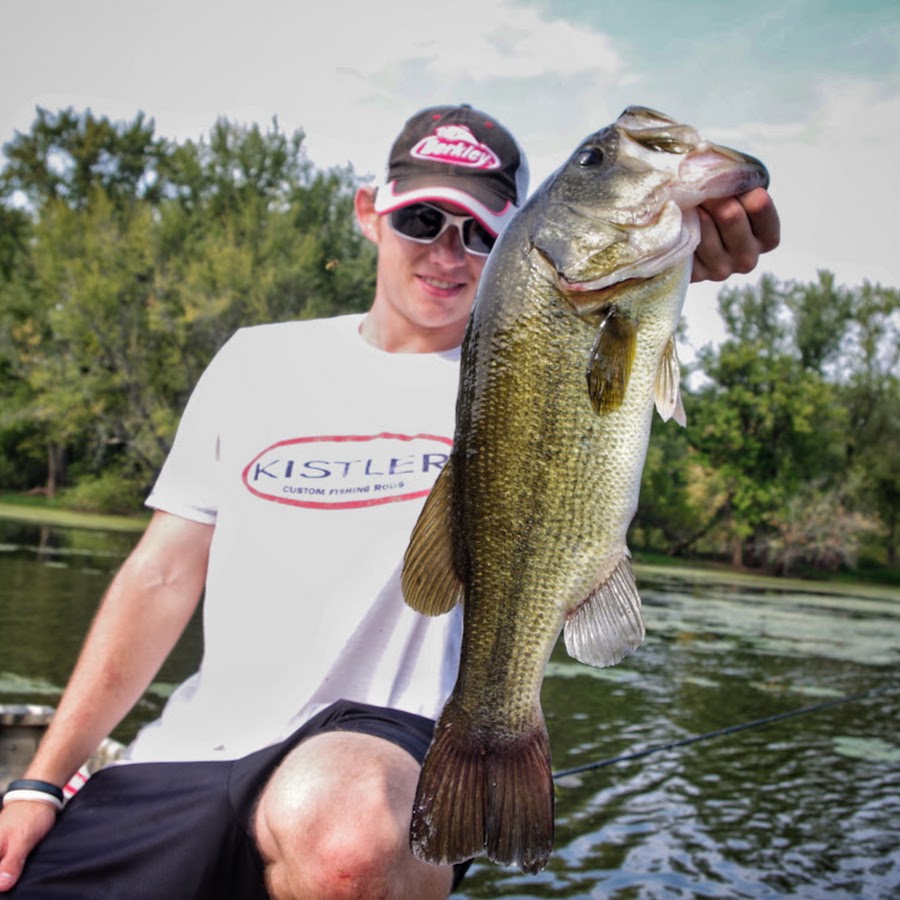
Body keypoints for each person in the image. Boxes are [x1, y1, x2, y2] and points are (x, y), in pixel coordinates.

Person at [0, 103, 779, 898]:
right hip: (187, 757)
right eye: (423, 219)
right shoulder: (257, 361)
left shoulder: (525, 353)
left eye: (479, 232)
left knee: (349, 834)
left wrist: (684, 251)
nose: (448, 251)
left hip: (387, 749)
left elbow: (615, 322)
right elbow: (160, 578)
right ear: (369, 211)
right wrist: (40, 781)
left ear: (516, 236)